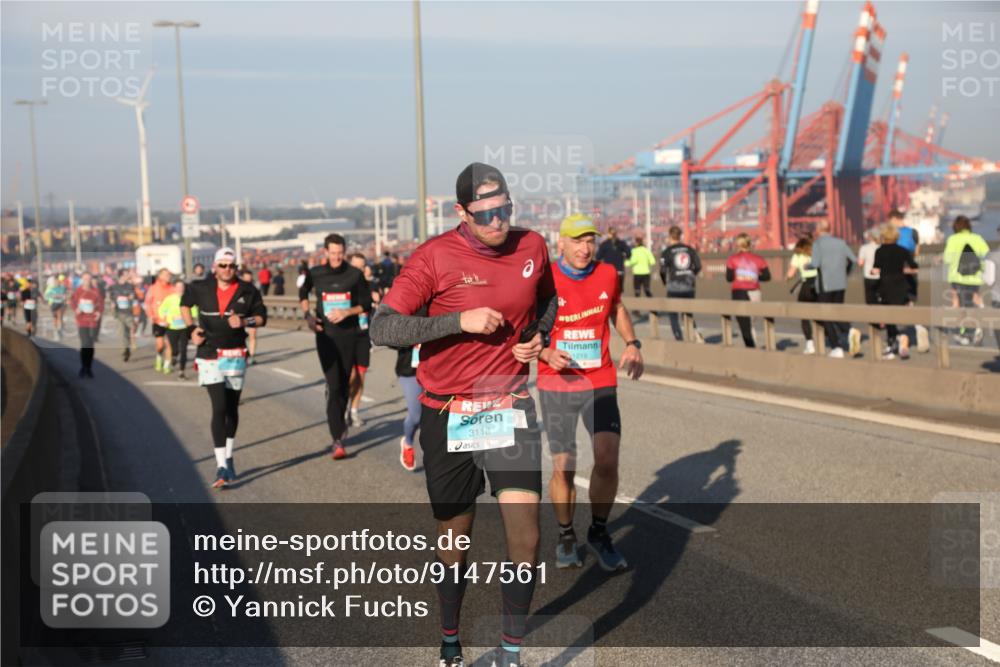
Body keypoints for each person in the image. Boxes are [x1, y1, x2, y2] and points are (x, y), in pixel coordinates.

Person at [370, 162, 556, 667]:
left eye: (505, 209)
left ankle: (511, 651)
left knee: (527, 533)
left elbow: (548, 299)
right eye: (486, 213)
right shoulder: (434, 257)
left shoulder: (532, 246)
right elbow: (383, 329)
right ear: (462, 212)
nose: (499, 221)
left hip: (508, 403)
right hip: (448, 410)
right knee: (455, 537)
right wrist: (458, 321)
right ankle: (450, 637)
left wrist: (537, 336)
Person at [537, 214, 643, 573]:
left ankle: (598, 532)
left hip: (599, 377)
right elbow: (525, 329)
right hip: (557, 381)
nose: (585, 248)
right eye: (577, 241)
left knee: (607, 458)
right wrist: (545, 353)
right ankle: (566, 534)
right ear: (561, 243)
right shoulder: (545, 280)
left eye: (589, 241)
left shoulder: (608, 273)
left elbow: (617, 307)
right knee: (564, 466)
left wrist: (632, 343)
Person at [181, 247, 267, 489]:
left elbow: (262, 317)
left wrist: (245, 321)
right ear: (214, 267)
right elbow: (184, 305)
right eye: (223, 265)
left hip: (235, 353)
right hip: (209, 352)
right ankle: (220, 465)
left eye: (231, 266)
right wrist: (191, 329)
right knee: (218, 406)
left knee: (231, 408)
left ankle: (228, 456)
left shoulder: (248, 290)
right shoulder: (200, 287)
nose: (227, 270)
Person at [299, 234, 372, 460]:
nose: (337, 257)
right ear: (325, 252)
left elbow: (366, 303)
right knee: (334, 385)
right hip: (325, 336)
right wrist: (308, 317)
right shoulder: (315, 273)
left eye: (340, 253)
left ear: (345, 252)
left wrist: (347, 312)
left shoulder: (354, 274)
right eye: (333, 253)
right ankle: (337, 439)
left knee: (344, 385)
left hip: (349, 336)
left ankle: (339, 422)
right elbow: (303, 292)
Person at [807, 219, 858, 358]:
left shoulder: (817, 243)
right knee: (838, 312)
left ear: (818, 230)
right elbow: (854, 260)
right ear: (830, 229)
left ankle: (837, 346)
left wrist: (806, 266)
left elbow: (815, 263)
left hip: (825, 284)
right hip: (840, 284)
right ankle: (849, 332)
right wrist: (846, 273)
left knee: (826, 315)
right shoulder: (841, 242)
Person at [872, 223, 919, 359]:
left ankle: (892, 344)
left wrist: (874, 272)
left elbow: (876, 269)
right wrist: (905, 270)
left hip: (885, 286)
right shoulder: (902, 250)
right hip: (901, 285)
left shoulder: (879, 251)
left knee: (888, 316)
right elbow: (914, 266)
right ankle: (902, 340)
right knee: (899, 314)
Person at [943, 215, 990, 346]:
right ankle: (976, 327)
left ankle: (965, 332)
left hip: (958, 278)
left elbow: (947, 259)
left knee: (961, 305)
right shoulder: (977, 238)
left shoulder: (953, 239)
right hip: (975, 278)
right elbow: (986, 255)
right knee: (972, 302)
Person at [393, 307, 427, 473]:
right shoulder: (408, 304)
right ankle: (407, 442)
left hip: (438, 369)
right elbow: (389, 336)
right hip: (410, 370)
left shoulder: (444, 302)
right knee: (416, 415)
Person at [725, 233, 770, 348]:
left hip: (739, 292)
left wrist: (740, 275)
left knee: (744, 324)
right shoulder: (759, 259)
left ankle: (751, 348)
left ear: (738, 244)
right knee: (751, 321)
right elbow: (767, 276)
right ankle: (752, 342)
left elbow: (729, 278)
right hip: (755, 292)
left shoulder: (732, 259)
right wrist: (753, 276)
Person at [659, 225, 703, 342]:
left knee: (673, 314)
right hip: (689, 285)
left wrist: (664, 281)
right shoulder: (690, 249)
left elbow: (662, 270)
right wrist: (691, 275)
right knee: (688, 313)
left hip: (673, 287)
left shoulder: (667, 252)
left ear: (670, 236)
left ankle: (678, 337)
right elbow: (698, 266)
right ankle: (695, 333)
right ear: (680, 236)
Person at [347, 253, 374, 427]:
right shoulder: (345, 286)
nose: (359, 270)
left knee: (361, 376)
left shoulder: (370, 286)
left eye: (362, 267)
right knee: (351, 375)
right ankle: (344, 405)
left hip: (364, 336)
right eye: (356, 267)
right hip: (347, 336)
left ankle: (354, 411)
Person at [786, 236, 819, 354]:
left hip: (806, 286)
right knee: (821, 313)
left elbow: (791, 273)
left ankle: (810, 344)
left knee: (804, 316)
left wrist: (787, 277)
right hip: (819, 284)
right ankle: (829, 338)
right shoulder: (816, 254)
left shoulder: (797, 256)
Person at [70, 272, 103, 378]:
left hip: (92, 321)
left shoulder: (96, 291)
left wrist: (99, 312)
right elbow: (72, 302)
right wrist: (76, 309)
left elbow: (100, 304)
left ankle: (89, 367)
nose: (87, 281)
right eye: (85, 279)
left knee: (90, 345)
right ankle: (83, 367)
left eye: (89, 279)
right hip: (82, 320)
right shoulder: (78, 291)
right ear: (82, 280)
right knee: (85, 344)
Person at [159, 278, 192, 378]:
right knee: (174, 349)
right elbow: (162, 310)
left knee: (184, 349)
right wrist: (165, 319)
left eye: (182, 287)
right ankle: (174, 356)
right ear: (174, 288)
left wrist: (191, 319)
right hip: (172, 327)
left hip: (184, 328)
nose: (180, 289)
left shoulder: (189, 298)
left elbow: (194, 311)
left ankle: (181, 371)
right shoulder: (169, 299)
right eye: (178, 287)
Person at [145, 269, 173, 371]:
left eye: (169, 274)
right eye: (166, 274)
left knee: (170, 344)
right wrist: (150, 315)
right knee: (160, 345)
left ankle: (167, 365)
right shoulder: (153, 288)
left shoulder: (172, 288)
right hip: (158, 320)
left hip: (170, 321)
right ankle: (159, 356)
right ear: (160, 276)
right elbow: (147, 303)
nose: (168, 276)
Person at [108, 269, 136, 361]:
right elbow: (111, 298)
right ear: (121, 275)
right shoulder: (113, 287)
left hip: (128, 312)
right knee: (123, 332)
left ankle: (129, 345)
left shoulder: (130, 286)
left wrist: (128, 297)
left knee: (132, 328)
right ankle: (126, 349)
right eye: (126, 274)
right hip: (119, 312)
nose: (128, 276)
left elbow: (132, 296)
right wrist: (113, 305)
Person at [625, 234, 656, 307]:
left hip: (637, 273)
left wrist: (626, 263)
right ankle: (654, 306)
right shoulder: (646, 250)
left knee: (637, 291)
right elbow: (653, 261)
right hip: (646, 273)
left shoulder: (634, 251)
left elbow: (633, 261)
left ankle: (636, 308)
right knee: (647, 290)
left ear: (636, 243)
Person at [595, 227, 630, 293]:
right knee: (619, 290)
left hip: (608, 271)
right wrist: (625, 257)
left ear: (609, 234)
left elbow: (598, 257)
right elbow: (629, 253)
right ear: (616, 234)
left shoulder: (604, 244)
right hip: (619, 270)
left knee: (608, 289)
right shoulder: (622, 243)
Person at [857, 227, 881, 307]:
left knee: (870, 299)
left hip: (868, 276)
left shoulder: (864, 248)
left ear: (870, 237)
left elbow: (860, 263)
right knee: (880, 299)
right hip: (880, 276)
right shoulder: (881, 247)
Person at [239, 269, 259, 364]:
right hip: (241, 314)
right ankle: (244, 353)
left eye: (250, 278)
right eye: (247, 278)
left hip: (252, 313)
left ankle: (252, 355)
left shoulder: (255, 287)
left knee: (253, 334)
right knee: (240, 336)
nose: (249, 279)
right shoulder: (238, 287)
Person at [44, 274, 69, 339]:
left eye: (58, 281)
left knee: (60, 316)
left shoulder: (62, 287)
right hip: (53, 304)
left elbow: (66, 294)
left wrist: (66, 299)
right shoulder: (51, 288)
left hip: (61, 304)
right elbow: (46, 296)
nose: (57, 282)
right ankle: (56, 329)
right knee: (55, 318)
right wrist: (52, 296)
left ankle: (59, 330)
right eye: (55, 281)